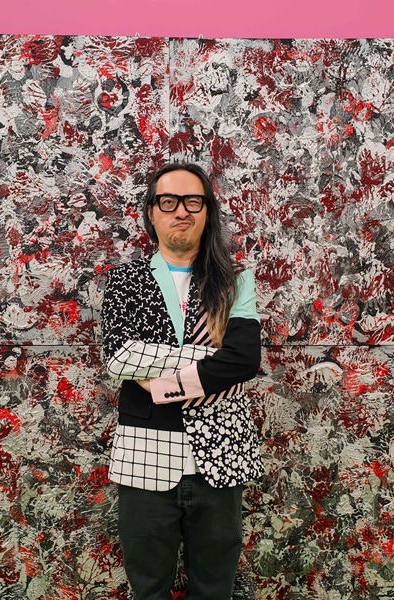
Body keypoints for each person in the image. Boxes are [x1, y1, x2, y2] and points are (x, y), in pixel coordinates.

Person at [101, 163, 264, 599]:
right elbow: (119, 359)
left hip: (222, 457)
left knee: (214, 589)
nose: (181, 212)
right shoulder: (124, 280)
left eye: (193, 201)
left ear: (207, 211)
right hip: (145, 458)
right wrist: (208, 358)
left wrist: (160, 383)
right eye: (169, 201)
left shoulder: (234, 281)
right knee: (148, 589)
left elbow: (243, 360)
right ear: (151, 212)